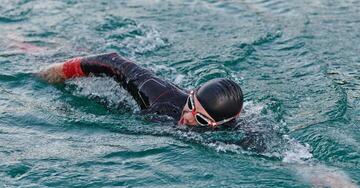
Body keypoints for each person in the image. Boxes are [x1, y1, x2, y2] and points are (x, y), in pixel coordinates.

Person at [38, 52, 243, 127]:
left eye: (201, 120)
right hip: (129, 106)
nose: (188, 116)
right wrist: (59, 72)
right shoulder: (162, 99)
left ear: (219, 124)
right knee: (47, 53)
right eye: (191, 104)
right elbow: (112, 61)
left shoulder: (239, 136)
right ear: (191, 94)